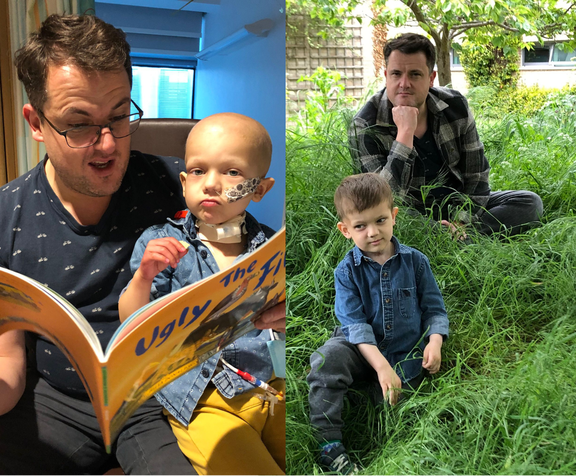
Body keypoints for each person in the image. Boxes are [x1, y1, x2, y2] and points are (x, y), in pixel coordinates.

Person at [0, 14, 283, 474]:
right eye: (79, 125)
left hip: (165, 398)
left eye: (118, 116)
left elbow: (250, 259)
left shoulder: (183, 183)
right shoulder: (6, 215)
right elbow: (8, 364)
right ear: (36, 123)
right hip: (57, 401)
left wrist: (279, 307)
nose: (108, 144)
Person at [118, 113, 285, 475]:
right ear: (183, 181)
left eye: (232, 173)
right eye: (197, 171)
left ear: (259, 189)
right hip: (202, 399)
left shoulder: (273, 247)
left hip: (270, 384)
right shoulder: (162, 243)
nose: (211, 183)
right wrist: (143, 278)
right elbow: (132, 323)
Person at [307, 173, 449, 474]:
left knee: (402, 416)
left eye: (380, 220)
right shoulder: (346, 272)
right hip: (359, 350)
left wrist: (434, 341)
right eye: (360, 226)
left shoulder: (416, 262)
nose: (373, 232)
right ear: (345, 230)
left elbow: (434, 309)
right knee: (325, 359)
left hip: (403, 352)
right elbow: (355, 325)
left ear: (394, 217)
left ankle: (379, 422)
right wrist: (380, 367)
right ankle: (328, 445)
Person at [348, 33, 543, 237]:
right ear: (386, 76)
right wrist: (404, 135)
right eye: (396, 74)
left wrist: (462, 219)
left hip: (455, 204)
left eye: (415, 74)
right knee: (389, 222)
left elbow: (476, 174)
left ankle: (456, 236)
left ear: (431, 79)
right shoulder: (365, 124)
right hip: (408, 213)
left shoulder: (455, 106)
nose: (404, 83)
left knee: (530, 203)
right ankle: (458, 240)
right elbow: (379, 200)